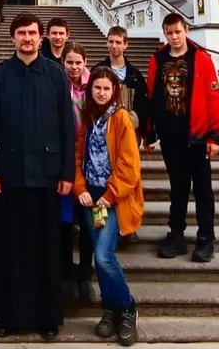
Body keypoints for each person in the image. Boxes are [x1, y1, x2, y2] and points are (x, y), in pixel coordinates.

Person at [0, 12, 75, 340]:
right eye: (21, 33)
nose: (27, 38)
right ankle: (6, 315)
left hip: (48, 178)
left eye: (33, 33)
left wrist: (67, 173)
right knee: (10, 249)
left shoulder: (55, 76)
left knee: (45, 249)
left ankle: (47, 317)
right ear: (13, 38)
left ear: (42, 37)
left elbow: (67, 127)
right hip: (8, 177)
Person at [145, 13, 219, 264]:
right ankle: (176, 235)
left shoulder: (201, 59)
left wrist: (215, 135)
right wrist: (150, 130)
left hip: (197, 135)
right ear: (165, 34)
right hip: (171, 135)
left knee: (202, 189)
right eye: (169, 33)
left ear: (186, 30)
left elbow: (213, 97)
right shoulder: (158, 59)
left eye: (177, 32)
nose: (174, 37)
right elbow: (151, 94)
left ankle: (205, 238)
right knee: (178, 187)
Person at [75, 66, 143, 345]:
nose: (101, 93)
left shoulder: (121, 118)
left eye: (106, 88)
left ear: (115, 91)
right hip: (90, 195)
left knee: (104, 256)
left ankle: (127, 307)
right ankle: (109, 309)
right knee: (99, 259)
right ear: (90, 90)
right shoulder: (88, 118)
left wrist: (111, 193)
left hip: (112, 196)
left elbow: (129, 163)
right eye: (97, 88)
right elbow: (78, 155)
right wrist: (80, 187)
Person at [61, 41, 95, 303]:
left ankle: (85, 273)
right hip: (63, 156)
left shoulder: (94, 86)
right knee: (64, 222)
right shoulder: (58, 84)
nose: (73, 67)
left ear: (85, 63)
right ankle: (65, 275)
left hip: (90, 157)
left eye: (78, 62)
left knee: (87, 223)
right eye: (69, 62)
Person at [99, 27, 151, 138]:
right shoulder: (98, 70)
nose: (114, 46)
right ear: (106, 43)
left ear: (125, 45)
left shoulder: (135, 75)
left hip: (129, 128)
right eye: (111, 42)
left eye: (118, 42)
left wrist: (133, 119)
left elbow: (142, 102)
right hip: (104, 128)